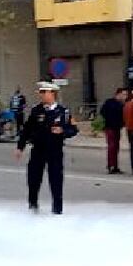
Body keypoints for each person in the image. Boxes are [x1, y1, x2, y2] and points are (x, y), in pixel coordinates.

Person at [16, 81, 78, 214]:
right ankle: (33, 205)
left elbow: (73, 129)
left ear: (52, 93)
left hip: (54, 150)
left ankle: (57, 210)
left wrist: (63, 131)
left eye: (44, 92)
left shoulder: (63, 111)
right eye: (41, 92)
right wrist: (20, 147)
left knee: (56, 179)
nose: (41, 95)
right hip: (38, 149)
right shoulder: (36, 110)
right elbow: (26, 130)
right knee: (33, 178)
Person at [100, 87, 128, 174]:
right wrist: (108, 120)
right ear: (118, 94)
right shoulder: (109, 102)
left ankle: (115, 166)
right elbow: (102, 112)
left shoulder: (122, 104)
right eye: (124, 94)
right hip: (110, 128)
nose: (125, 96)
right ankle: (111, 166)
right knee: (112, 147)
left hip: (117, 128)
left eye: (126, 95)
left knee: (116, 147)